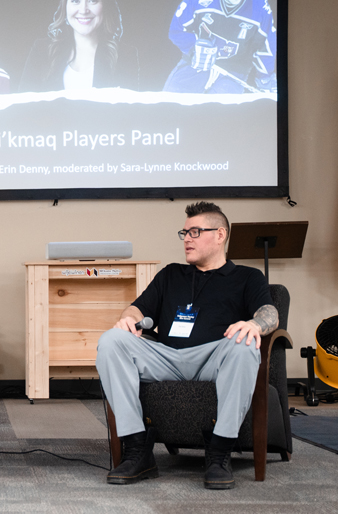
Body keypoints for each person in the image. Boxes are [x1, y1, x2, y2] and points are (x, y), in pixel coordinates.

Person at [95, 202, 278, 489]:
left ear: (220, 235)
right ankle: (137, 449)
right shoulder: (170, 274)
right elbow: (136, 309)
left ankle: (219, 453)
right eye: (185, 232)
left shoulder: (247, 276)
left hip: (215, 357)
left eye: (195, 231)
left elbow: (270, 314)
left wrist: (255, 325)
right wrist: (127, 320)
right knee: (111, 340)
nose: (188, 239)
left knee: (245, 345)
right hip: (166, 356)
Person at [19, 0, 139, 92]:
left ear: (105, 5)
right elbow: (23, 107)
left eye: (93, 0)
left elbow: (128, 110)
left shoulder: (125, 55)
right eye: (75, 1)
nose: (83, 10)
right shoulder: (42, 51)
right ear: (65, 6)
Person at [163, 0, 276, 94]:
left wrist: (265, 76)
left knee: (219, 111)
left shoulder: (259, 6)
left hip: (234, 70)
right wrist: (193, 48)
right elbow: (177, 29)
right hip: (197, 62)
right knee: (172, 102)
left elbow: (266, 43)